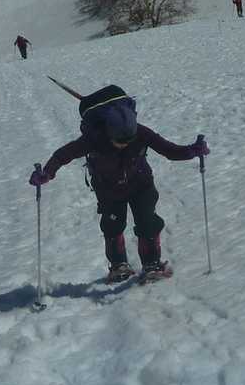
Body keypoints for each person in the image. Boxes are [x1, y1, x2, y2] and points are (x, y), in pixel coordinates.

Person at [29, 85, 208, 282]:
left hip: (141, 184)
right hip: (108, 188)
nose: (124, 145)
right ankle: (118, 265)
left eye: (128, 141)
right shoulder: (94, 138)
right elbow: (63, 155)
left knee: (148, 221)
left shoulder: (141, 132)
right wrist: (47, 173)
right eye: (119, 141)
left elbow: (169, 150)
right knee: (112, 225)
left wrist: (192, 150)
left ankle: (152, 264)